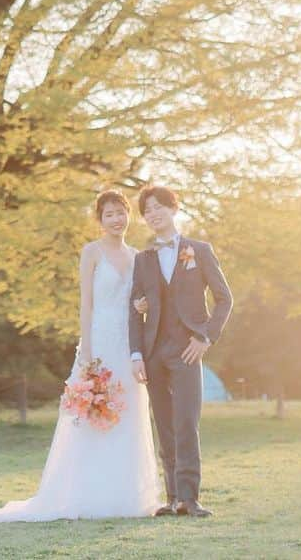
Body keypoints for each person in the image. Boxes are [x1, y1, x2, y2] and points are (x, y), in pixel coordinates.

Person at [0, 189, 162, 521]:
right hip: (99, 340)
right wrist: (87, 352)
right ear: (100, 220)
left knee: (128, 414)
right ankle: (85, 494)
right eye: (109, 214)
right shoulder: (91, 252)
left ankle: (126, 496)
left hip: (129, 344)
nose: (116, 219)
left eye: (121, 212)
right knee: (92, 415)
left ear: (129, 215)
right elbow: (86, 303)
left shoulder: (138, 256)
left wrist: (142, 306)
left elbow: (138, 301)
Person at [129, 185, 233, 518]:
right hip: (154, 351)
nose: (153, 214)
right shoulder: (142, 260)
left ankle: (191, 498)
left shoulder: (199, 250)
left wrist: (205, 338)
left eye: (159, 207)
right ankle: (172, 498)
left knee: (186, 422)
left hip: (188, 349)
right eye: (147, 210)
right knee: (164, 424)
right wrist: (136, 355)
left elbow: (224, 300)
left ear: (174, 209)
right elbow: (134, 309)